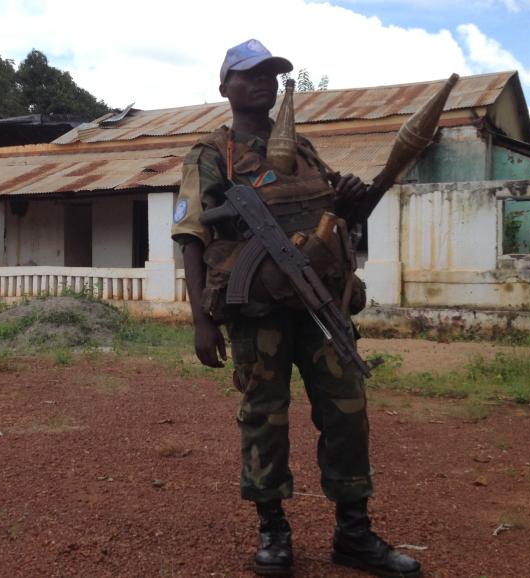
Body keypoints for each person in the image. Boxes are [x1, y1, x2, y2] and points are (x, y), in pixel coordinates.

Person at [171, 39, 420, 578]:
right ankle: (273, 532)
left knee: (347, 411)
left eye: (271, 73)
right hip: (257, 312)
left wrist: (348, 198)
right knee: (265, 418)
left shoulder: (304, 151)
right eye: (249, 74)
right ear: (225, 87)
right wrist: (200, 319)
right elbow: (191, 234)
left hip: (319, 304)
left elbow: (330, 218)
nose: (262, 81)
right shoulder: (213, 153)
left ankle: (353, 533)